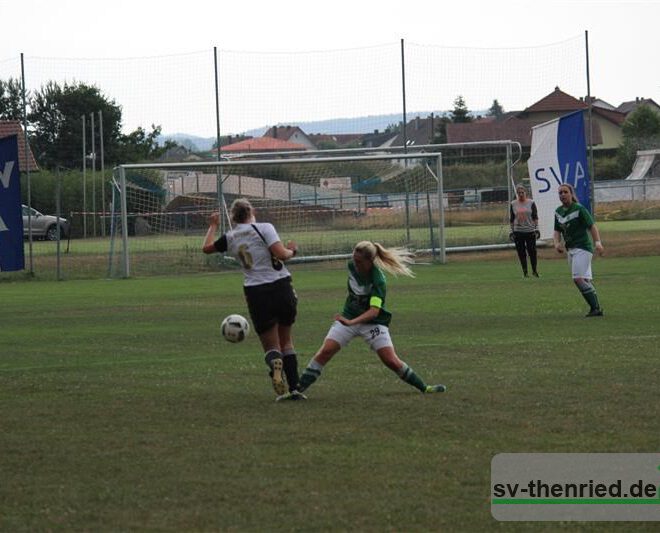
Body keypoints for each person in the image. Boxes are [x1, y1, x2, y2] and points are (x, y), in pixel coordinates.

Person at [280, 241, 446, 400]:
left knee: (391, 361)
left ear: (370, 261)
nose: (355, 263)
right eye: (354, 259)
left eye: (359, 261)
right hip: (349, 317)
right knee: (325, 351)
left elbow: (373, 312)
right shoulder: (351, 266)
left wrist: (351, 323)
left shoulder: (378, 280)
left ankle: (424, 387)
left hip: (372, 324)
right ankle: (296, 391)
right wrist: (350, 320)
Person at [202, 198, 303, 399]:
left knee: (272, 347)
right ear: (252, 211)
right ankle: (294, 389)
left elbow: (207, 248)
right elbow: (281, 254)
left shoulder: (230, 237)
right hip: (281, 286)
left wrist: (212, 225)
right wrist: (293, 250)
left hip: (256, 292)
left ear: (233, 216)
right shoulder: (265, 227)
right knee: (287, 341)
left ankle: (276, 367)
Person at [553, 183, 605, 317]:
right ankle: (596, 308)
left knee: (578, 279)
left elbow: (592, 226)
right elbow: (557, 230)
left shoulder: (579, 209)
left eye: (565, 192)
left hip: (583, 248)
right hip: (571, 250)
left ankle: (595, 308)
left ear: (571, 194)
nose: (562, 195)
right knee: (585, 280)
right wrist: (557, 243)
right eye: (560, 193)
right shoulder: (558, 212)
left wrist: (598, 243)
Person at [509, 183, 540, 278]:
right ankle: (525, 272)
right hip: (518, 231)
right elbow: (512, 219)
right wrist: (511, 231)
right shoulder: (513, 204)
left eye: (522, 192)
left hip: (530, 230)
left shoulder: (531, 203)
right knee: (521, 252)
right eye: (519, 193)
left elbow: (535, 217)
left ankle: (534, 271)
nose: (521, 194)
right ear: (517, 194)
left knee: (532, 252)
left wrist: (537, 228)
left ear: (525, 192)